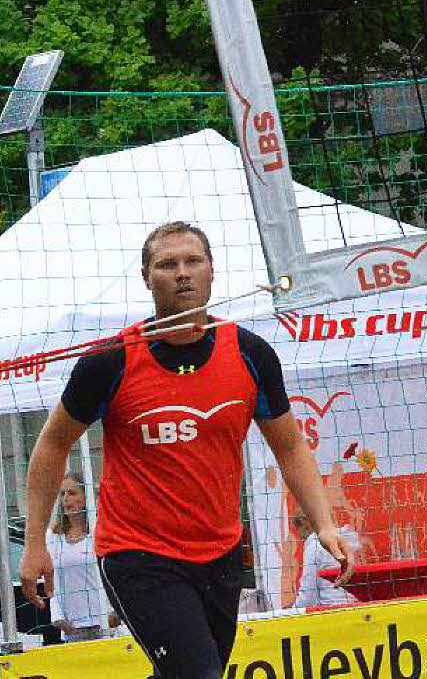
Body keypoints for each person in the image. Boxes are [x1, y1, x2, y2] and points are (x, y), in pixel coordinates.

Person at [19, 221, 354, 679]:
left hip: (219, 553)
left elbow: (290, 445)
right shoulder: (110, 361)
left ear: (212, 271)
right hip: (137, 554)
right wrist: (36, 543)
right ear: (146, 277)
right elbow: (52, 445)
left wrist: (324, 524)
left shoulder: (251, 355)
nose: (182, 273)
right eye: (167, 264)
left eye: (192, 261)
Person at [45, 472, 119, 642]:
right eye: (62, 494)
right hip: (73, 629)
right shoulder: (52, 537)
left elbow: (118, 573)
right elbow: (51, 580)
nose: (66, 499)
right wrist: (58, 619)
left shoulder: (103, 531)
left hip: (108, 625)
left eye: (72, 493)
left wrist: (118, 612)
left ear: (87, 497)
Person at [291, 510, 362, 609]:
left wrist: (292, 611)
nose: (300, 536)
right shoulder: (349, 538)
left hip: (332, 609)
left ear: (305, 524)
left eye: (299, 530)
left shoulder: (314, 546)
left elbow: (308, 593)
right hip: (357, 604)